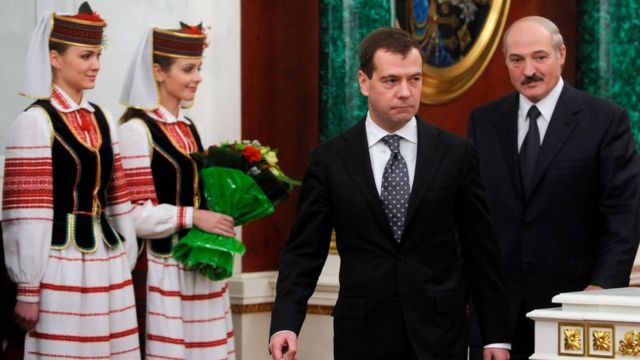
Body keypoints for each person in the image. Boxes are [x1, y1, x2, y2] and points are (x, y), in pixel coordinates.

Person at [269, 27, 511, 360]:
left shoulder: (456, 153)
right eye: (391, 81)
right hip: (363, 336)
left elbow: (481, 249)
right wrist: (285, 323)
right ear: (364, 82)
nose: (405, 92)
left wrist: (496, 336)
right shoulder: (330, 160)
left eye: (415, 79)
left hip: (440, 335)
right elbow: (304, 252)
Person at [467, 16, 640, 360]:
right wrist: (489, 331)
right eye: (517, 60)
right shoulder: (483, 121)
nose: (528, 69)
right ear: (506, 63)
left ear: (561, 55)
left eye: (540, 57)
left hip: (575, 309)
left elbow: (624, 216)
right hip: (500, 319)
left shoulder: (605, 120)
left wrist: (599, 292)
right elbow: (473, 222)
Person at [1, 2, 141, 359]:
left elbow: (118, 194)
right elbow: (26, 214)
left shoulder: (103, 118)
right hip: (59, 261)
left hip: (105, 258)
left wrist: (126, 252)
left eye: (97, 55)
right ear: (55, 58)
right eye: (85, 56)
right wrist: (28, 287)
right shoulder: (35, 121)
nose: (95, 65)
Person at [118, 23, 236, 359]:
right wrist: (194, 216)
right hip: (162, 268)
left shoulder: (188, 128)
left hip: (199, 266)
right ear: (157, 71)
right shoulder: (135, 131)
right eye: (188, 69)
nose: (197, 76)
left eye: (199, 68)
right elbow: (135, 216)